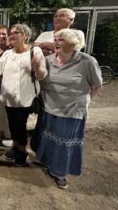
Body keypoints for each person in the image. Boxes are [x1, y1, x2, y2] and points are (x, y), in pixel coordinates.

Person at [34, 29, 102, 189]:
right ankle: (46, 163)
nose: (56, 42)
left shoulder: (87, 61)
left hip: (72, 111)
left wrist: (84, 101)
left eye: (61, 40)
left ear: (73, 44)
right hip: (49, 108)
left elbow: (97, 86)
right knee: (49, 138)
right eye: (56, 39)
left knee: (64, 143)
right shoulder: (49, 60)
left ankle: (59, 173)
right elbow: (41, 80)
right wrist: (37, 68)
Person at [0, 23, 47, 166]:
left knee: (20, 126)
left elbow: (41, 76)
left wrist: (37, 67)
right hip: (8, 98)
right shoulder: (8, 53)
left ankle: (22, 151)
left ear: (25, 36)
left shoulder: (35, 51)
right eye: (11, 33)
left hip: (25, 98)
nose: (11, 35)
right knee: (12, 124)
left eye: (16, 32)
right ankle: (16, 147)